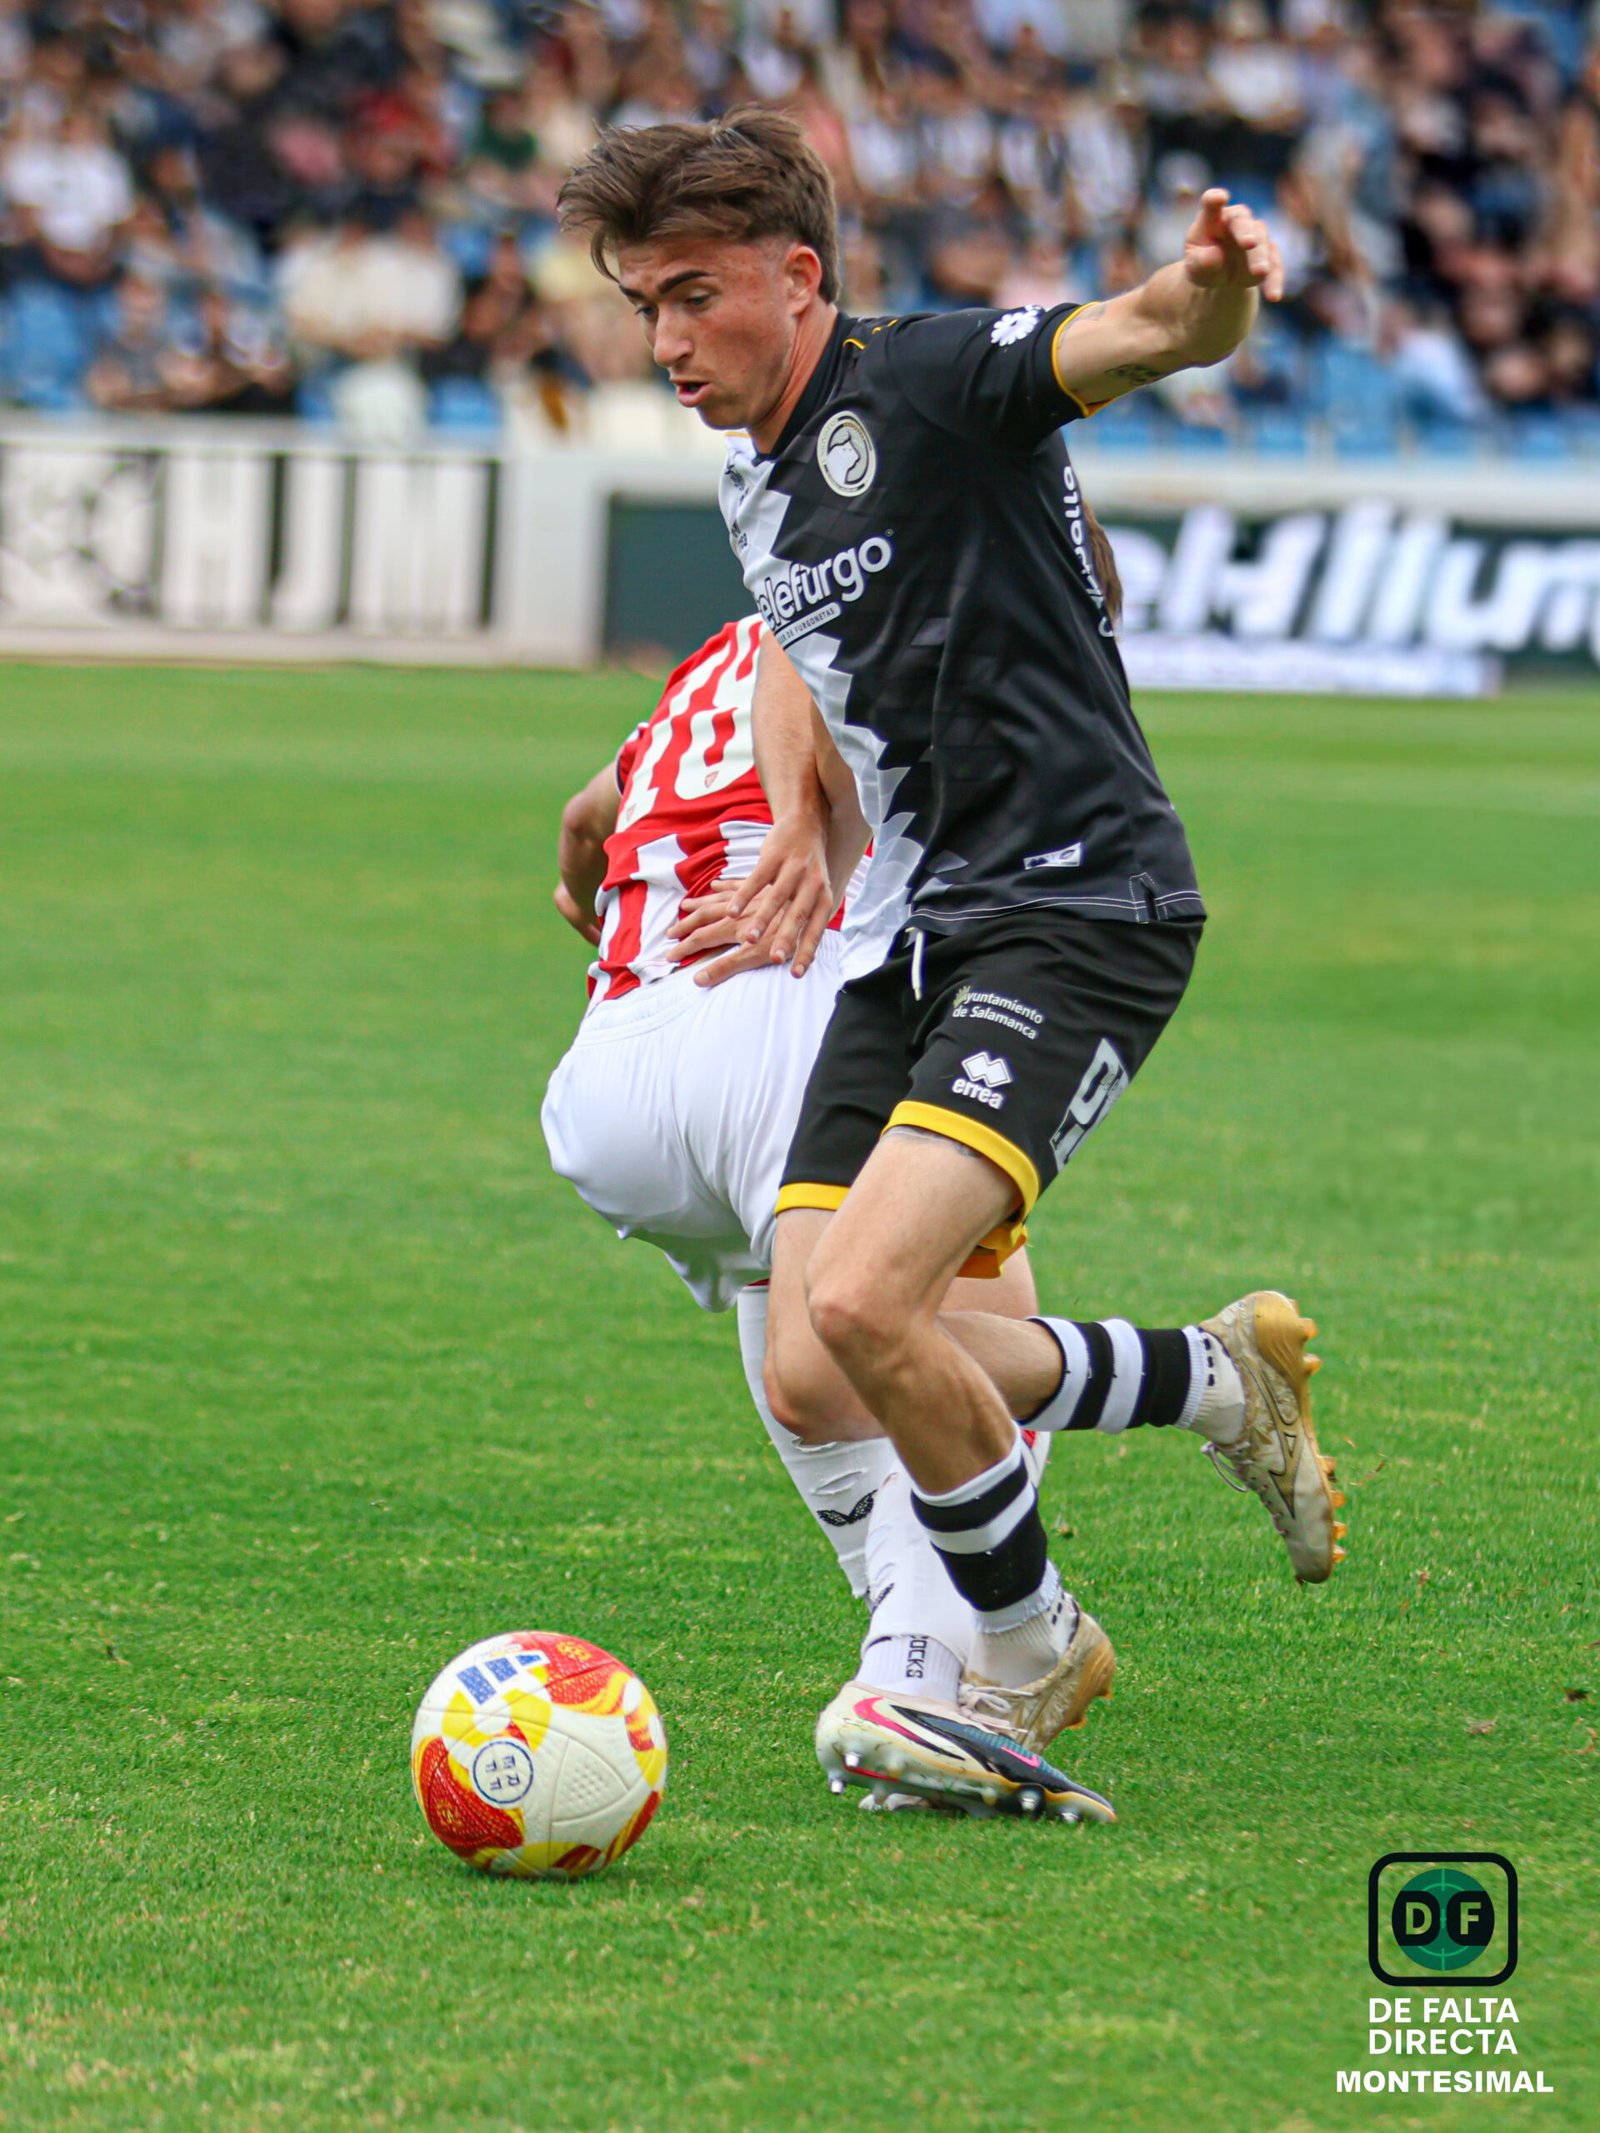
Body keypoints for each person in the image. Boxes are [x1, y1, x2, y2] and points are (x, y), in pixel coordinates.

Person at [556, 109, 1346, 1821]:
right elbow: (800, 642)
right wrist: (795, 827)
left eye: (694, 296)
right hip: (910, 939)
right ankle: (1214, 1378)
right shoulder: (759, 470)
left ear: (801, 274)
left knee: (862, 1301)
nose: (667, 341)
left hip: (1079, 913)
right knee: (820, 1357)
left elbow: (1129, 334)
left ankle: (1027, 1639)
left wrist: (1210, 292)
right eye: (642, 307)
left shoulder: (922, 384)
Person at [541, 614, 1115, 1821]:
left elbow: (582, 824)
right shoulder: (883, 595)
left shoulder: (696, 670)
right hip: (777, 1006)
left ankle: (932, 1640)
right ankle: (923, 1663)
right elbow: (841, 715)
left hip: (608, 1082)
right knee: (935, 1320)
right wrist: (809, 834)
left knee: (793, 1296)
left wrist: (590, 907)